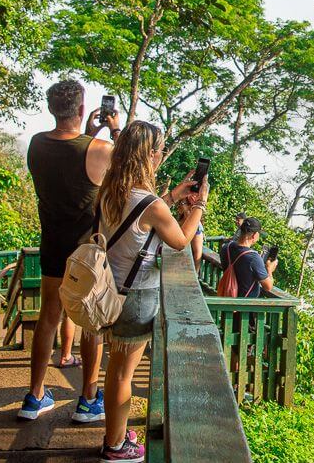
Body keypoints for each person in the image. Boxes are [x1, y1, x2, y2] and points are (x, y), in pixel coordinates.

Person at [96, 121, 208, 462]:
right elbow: (179, 240)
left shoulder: (111, 189)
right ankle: (115, 446)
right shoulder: (150, 204)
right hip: (136, 297)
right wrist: (199, 204)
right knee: (121, 374)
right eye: (159, 151)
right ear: (150, 156)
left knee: (115, 369)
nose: (160, 157)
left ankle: (115, 435)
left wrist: (173, 195)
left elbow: (141, 216)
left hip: (110, 290)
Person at [21, 80, 120, 422]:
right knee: (91, 321)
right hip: (86, 252)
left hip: (51, 242)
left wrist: (89, 132)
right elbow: (130, 173)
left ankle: (34, 395)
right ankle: (89, 398)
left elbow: (63, 162)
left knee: (49, 316)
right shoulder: (98, 149)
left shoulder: (36, 145)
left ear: (52, 108)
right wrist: (113, 130)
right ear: (81, 109)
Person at [219, 217, 277, 298]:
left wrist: (258, 262)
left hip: (225, 298)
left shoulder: (226, 247)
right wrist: (269, 269)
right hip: (243, 306)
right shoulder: (253, 258)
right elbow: (268, 287)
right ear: (254, 235)